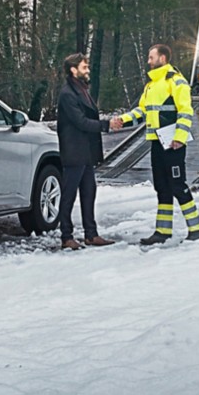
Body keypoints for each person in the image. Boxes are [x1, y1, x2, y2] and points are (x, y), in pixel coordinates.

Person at [112, 44, 199, 244]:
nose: (148, 61)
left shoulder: (176, 81)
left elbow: (185, 111)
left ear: (162, 58)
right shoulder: (151, 85)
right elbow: (142, 111)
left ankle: (196, 230)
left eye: (151, 57)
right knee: (162, 187)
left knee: (177, 185)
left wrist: (180, 138)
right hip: (157, 142)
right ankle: (162, 232)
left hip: (173, 143)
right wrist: (123, 119)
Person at [56, 53, 116, 250]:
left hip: (85, 152)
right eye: (84, 67)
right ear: (73, 70)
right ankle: (66, 236)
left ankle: (91, 234)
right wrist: (106, 124)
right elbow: (80, 121)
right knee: (69, 195)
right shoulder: (68, 94)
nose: (87, 70)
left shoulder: (81, 89)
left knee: (89, 192)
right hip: (74, 151)